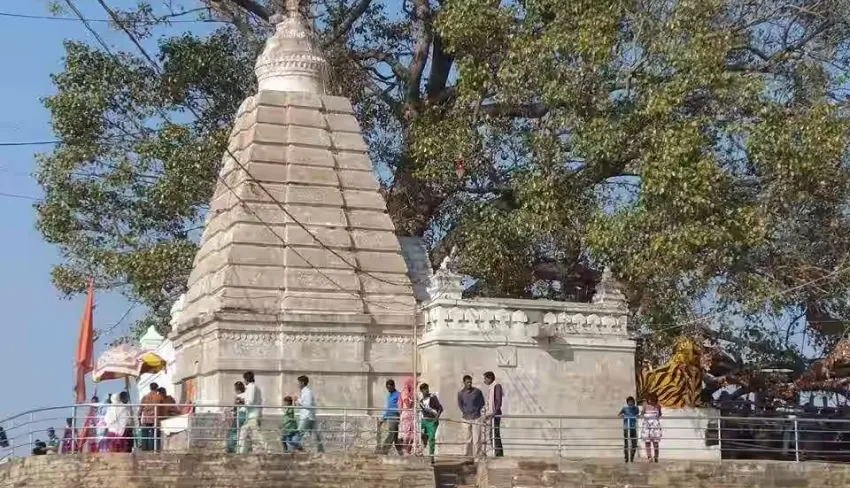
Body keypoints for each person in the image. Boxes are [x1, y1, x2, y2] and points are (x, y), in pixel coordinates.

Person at [457, 374, 485, 458]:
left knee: (476, 439)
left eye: (470, 382)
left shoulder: (477, 392)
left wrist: (476, 410)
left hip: (476, 417)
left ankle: (476, 456)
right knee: (467, 438)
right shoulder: (461, 393)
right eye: (467, 382)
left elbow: (482, 402)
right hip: (466, 418)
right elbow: (460, 405)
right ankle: (467, 456)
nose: (469, 384)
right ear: (464, 383)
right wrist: (465, 412)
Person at [295, 375, 324, 453]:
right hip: (309, 416)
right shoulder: (304, 392)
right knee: (315, 435)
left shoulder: (307, 392)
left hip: (307, 417)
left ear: (302, 383)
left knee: (299, 434)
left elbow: (308, 404)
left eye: (298, 383)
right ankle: (320, 452)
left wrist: (299, 402)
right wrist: (298, 401)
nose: (297, 384)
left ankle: (296, 450)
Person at [237, 371, 263, 454]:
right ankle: (241, 452)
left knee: (257, 435)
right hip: (250, 415)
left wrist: (242, 402)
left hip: (253, 415)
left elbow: (250, 401)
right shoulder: (252, 388)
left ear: (246, 379)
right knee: (244, 433)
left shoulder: (252, 387)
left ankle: (268, 450)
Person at [379, 379, 403, 455]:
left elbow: (401, 406)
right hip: (390, 416)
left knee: (391, 433)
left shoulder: (398, 395)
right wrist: (383, 417)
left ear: (393, 386)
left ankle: (383, 451)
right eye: (387, 388)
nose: (388, 389)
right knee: (395, 437)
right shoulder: (389, 395)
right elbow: (388, 408)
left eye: (389, 388)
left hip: (395, 416)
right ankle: (402, 453)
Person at [482, 371, 504, 457]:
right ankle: (496, 452)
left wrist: (494, 413)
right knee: (492, 434)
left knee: (495, 433)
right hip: (491, 414)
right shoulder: (491, 387)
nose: (484, 381)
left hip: (495, 415)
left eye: (485, 379)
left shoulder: (497, 386)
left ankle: (498, 454)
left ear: (490, 378)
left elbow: (498, 401)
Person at [419, 383, 443, 458]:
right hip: (424, 421)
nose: (426, 391)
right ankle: (421, 451)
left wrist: (436, 418)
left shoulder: (433, 397)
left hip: (432, 421)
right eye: (424, 390)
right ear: (421, 391)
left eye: (427, 389)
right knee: (420, 434)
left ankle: (431, 456)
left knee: (431, 438)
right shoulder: (421, 402)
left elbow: (440, 408)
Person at [139, 383, 163, 451]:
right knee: (153, 435)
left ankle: (144, 450)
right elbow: (162, 408)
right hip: (154, 419)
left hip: (146, 419)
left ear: (150, 388)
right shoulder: (159, 397)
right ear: (157, 388)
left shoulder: (145, 397)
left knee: (144, 435)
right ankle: (152, 450)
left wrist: (139, 419)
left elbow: (140, 409)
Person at [226, 381, 247, 454]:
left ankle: (231, 448)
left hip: (240, 414)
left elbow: (236, 407)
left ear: (237, 389)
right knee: (241, 432)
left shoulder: (239, 396)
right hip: (246, 414)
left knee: (233, 431)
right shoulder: (247, 394)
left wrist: (232, 410)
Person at [641, 393, 662, 462]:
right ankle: (649, 456)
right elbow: (642, 413)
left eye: (652, 400)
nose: (650, 401)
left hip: (655, 426)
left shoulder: (658, 406)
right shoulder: (645, 405)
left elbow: (660, 414)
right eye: (649, 400)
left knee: (655, 442)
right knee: (647, 442)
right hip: (647, 425)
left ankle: (656, 456)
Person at [618, 396, 639, 463]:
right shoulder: (625, 408)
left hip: (633, 427)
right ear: (627, 402)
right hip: (626, 427)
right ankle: (626, 457)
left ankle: (632, 457)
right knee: (626, 443)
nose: (631, 403)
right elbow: (619, 414)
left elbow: (637, 414)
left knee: (634, 443)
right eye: (629, 402)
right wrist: (622, 416)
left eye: (632, 401)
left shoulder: (636, 408)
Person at [398, 377, 415, 455]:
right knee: (406, 434)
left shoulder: (412, 394)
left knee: (412, 435)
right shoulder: (404, 392)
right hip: (406, 414)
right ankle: (405, 450)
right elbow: (408, 405)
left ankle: (409, 450)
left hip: (412, 415)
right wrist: (412, 399)